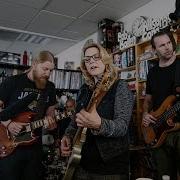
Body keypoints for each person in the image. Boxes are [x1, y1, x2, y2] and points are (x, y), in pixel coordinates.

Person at [61, 41, 134, 180]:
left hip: (110, 168)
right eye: (87, 59)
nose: (91, 62)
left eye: (96, 57)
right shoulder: (83, 90)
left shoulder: (120, 87)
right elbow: (74, 121)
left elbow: (122, 127)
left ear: (105, 60)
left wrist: (99, 124)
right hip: (82, 163)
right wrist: (67, 136)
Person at [0, 51, 57, 180]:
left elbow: (50, 114)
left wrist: (50, 122)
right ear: (34, 64)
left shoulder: (50, 87)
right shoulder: (12, 82)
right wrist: (8, 123)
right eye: (45, 69)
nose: (48, 73)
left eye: (51, 70)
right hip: (9, 145)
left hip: (34, 147)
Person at [142, 30, 180, 180]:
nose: (168, 47)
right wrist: (145, 114)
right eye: (162, 45)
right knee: (164, 175)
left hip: (177, 129)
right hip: (157, 130)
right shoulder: (152, 72)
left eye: (169, 43)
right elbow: (148, 100)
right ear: (154, 50)